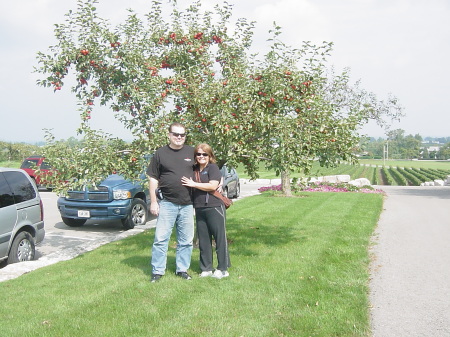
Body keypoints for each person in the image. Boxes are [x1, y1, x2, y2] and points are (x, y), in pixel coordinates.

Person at [147, 122, 195, 282]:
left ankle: (182, 269)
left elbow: (206, 168)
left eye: (182, 135)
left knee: (186, 240)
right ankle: (158, 271)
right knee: (161, 239)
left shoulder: (192, 152)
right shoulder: (160, 153)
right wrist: (154, 202)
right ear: (169, 135)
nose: (179, 137)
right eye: (176, 134)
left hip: (188, 203)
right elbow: (153, 177)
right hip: (167, 202)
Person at [181, 143, 231, 279]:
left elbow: (212, 185)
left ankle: (223, 268)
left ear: (210, 156)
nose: (201, 156)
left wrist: (194, 184)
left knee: (219, 238)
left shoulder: (212, 168)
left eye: (205, 154)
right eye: (199, 154)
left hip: (215, 206)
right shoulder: (194, 169)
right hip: (199, 207)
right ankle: (206, 268)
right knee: (203, 239)